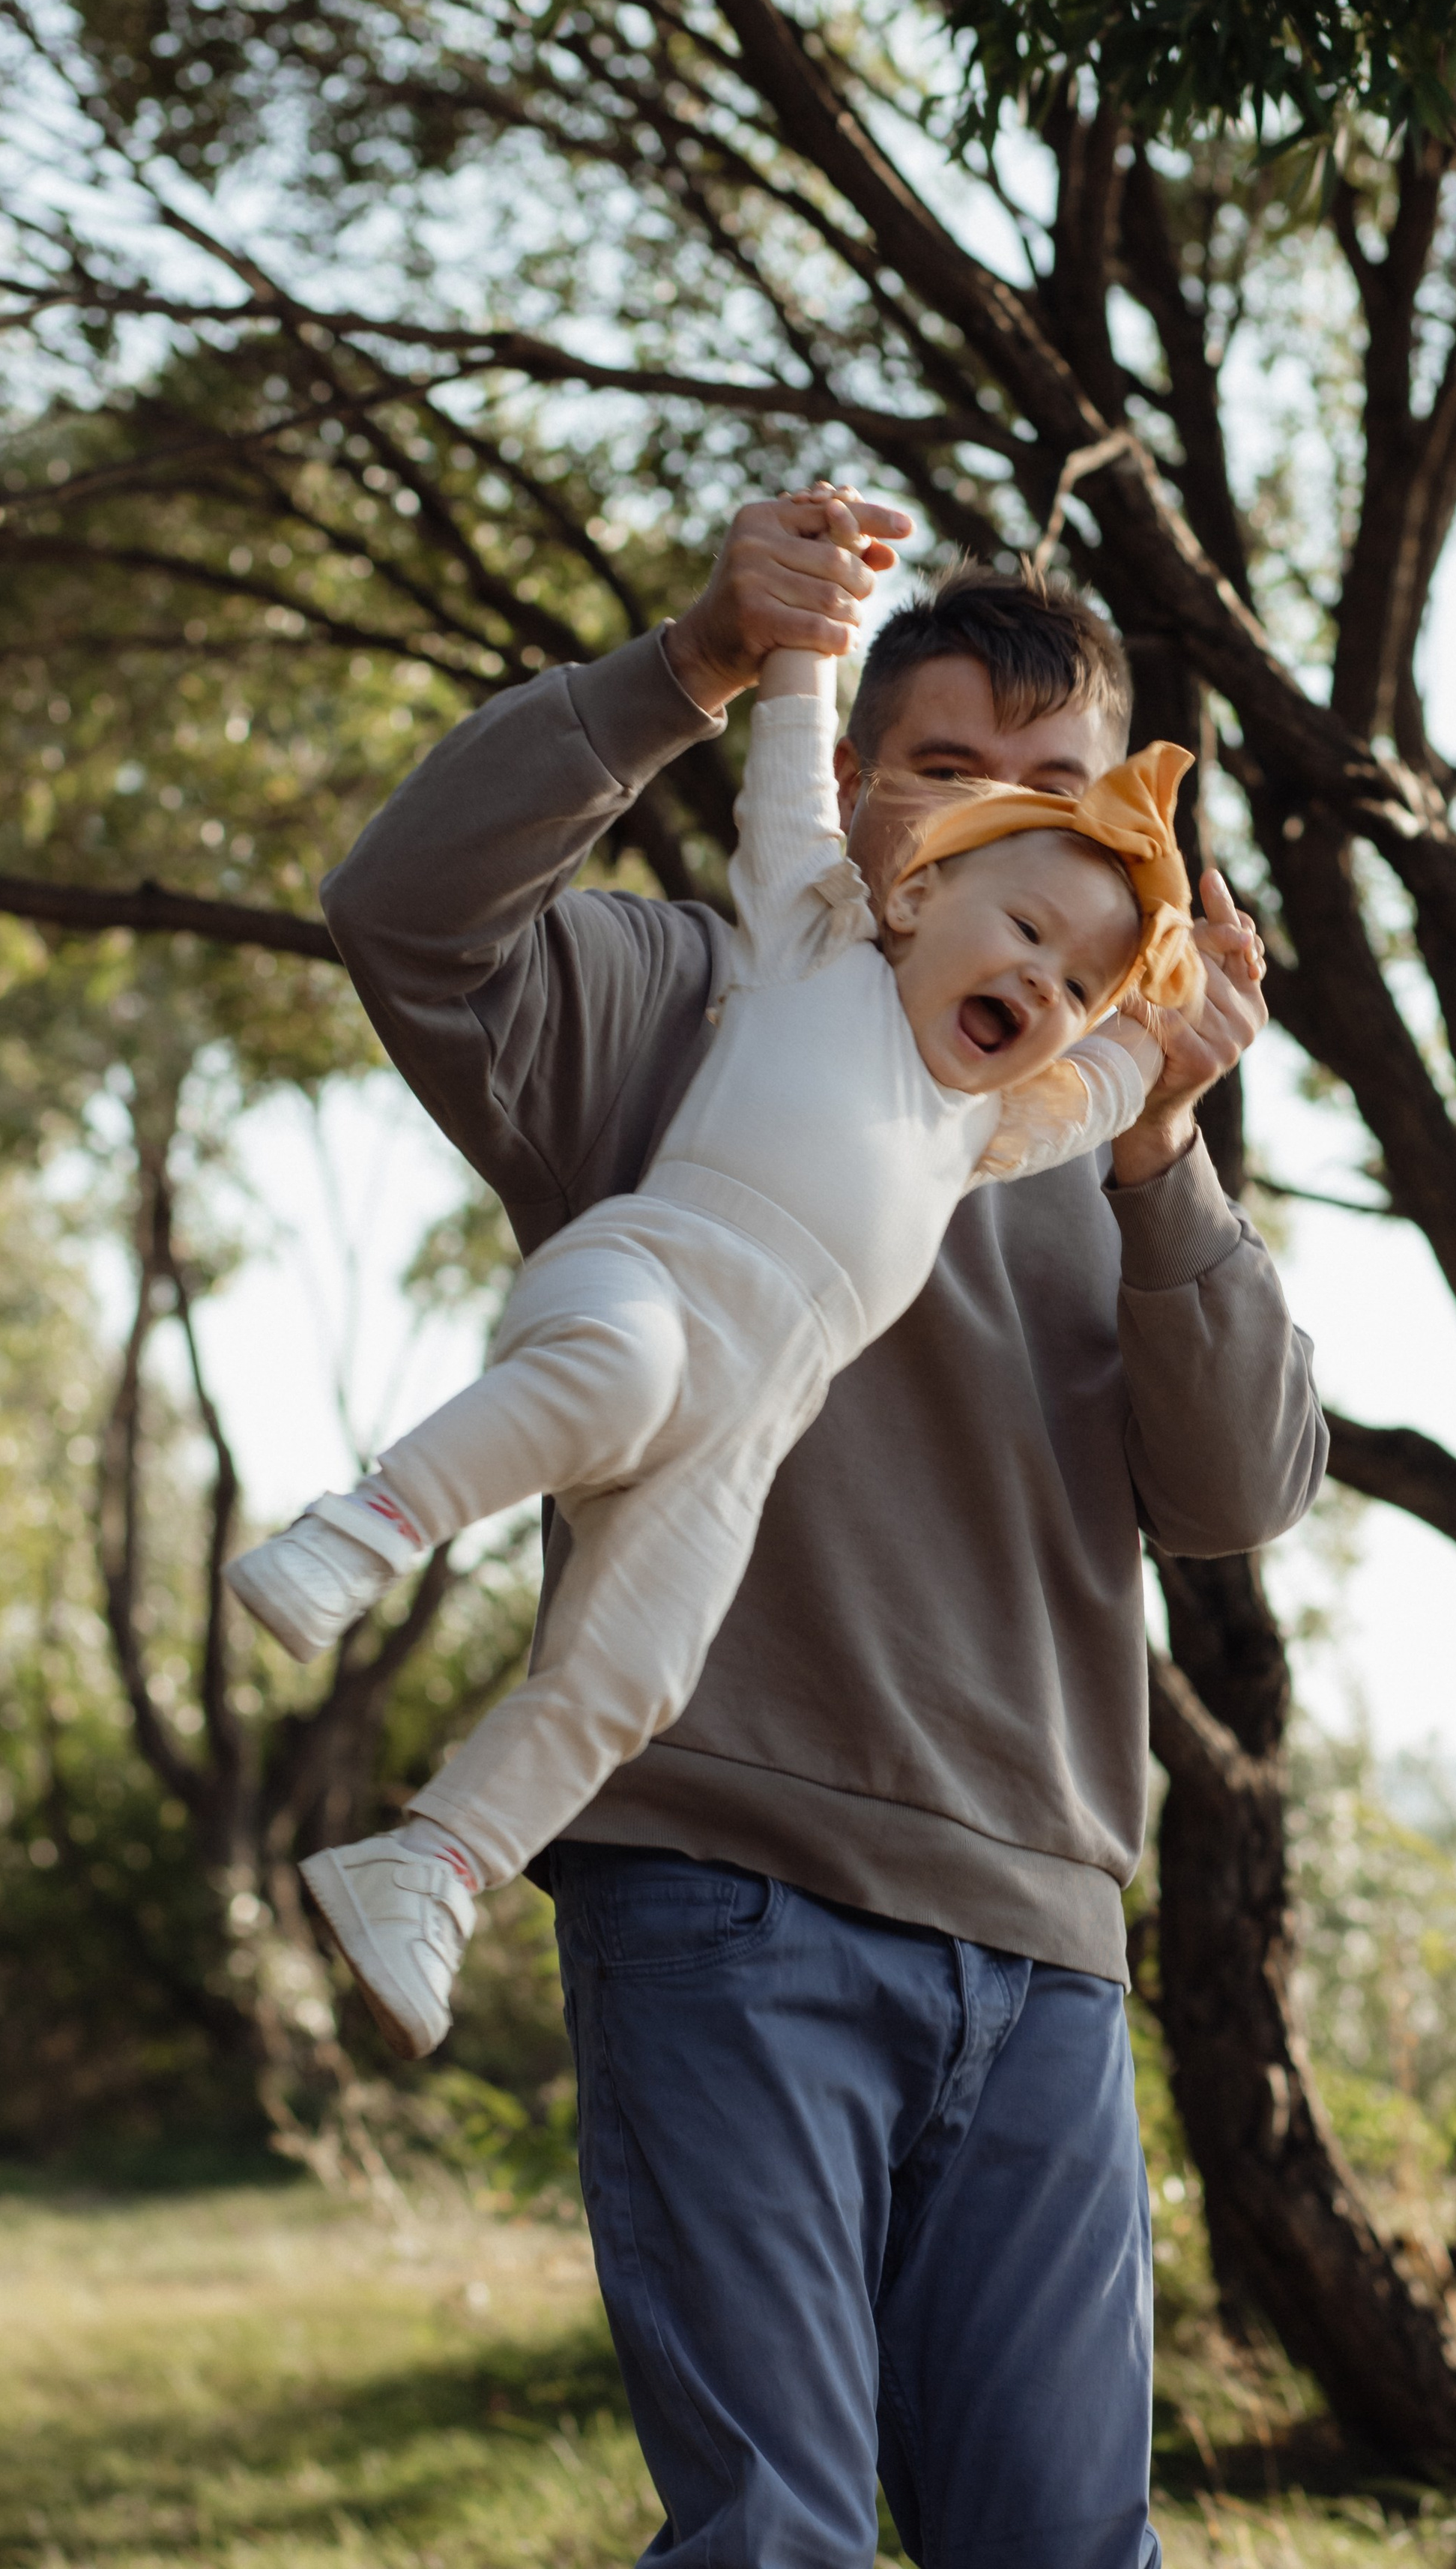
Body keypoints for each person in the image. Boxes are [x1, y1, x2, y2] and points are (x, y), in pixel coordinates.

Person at [313, 485, 1325, 2569]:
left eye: (1058, 798)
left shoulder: (1091, 1112)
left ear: (1131, 862)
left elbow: (1238, 1499)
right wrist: (691, 661)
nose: (996, 831)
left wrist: (1166, 1149)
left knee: (1063, 2547)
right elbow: (403, 908)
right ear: (856, 792)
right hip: (720, 1895)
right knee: (771, 2536)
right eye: (943, 773)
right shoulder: (684, 996)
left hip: (1038, 1938)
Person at [229, 602, 1207, 2062]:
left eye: (1075, 976)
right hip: (642, 1294)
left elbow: (1108, 1077)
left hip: (742, 1454)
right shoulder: (798, 940)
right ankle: (364, 1527)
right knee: (623, 1374)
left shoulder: (987, 1129)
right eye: (959, 786)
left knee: (636, 1672)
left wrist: (1176, 1032)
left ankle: (427, 1866)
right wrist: (777, 642)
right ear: (895, 855)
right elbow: (777, 765)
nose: (1039, 979)